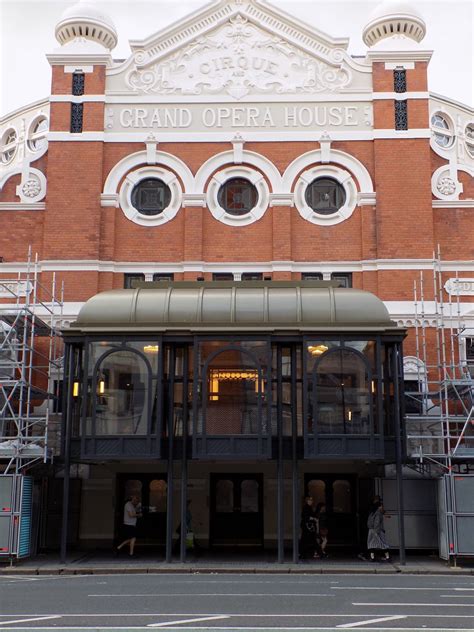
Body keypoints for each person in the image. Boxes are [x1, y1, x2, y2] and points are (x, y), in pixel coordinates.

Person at [299, 495, 318, 560]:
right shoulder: (306, 507)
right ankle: (302, 554)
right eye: (311, 500)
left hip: (307, 526)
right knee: (306, 540)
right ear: (307, 501)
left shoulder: (308, 507)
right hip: (306, 526)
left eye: (312, 500)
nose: (312, 501)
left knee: (305, 540)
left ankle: (302, 554)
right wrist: (314, 519)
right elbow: (305, 516)